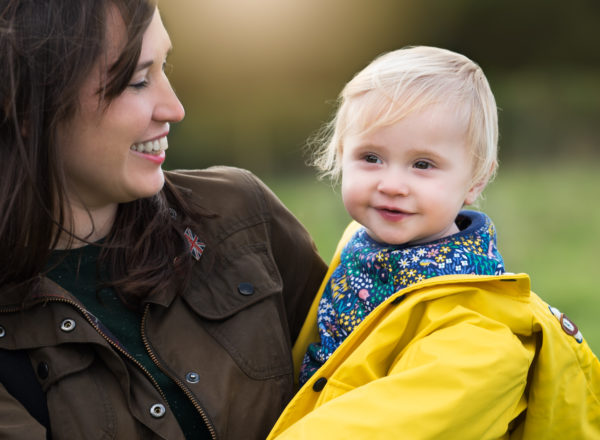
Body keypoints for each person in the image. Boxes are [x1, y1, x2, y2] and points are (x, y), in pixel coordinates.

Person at [0, 1, 327, 439]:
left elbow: (380, 363)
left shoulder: (243, 215)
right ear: (23, 105)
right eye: (137, 81)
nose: (174, 108)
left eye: (164, 66)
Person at [267, 46, 600, 439]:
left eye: (422, 164)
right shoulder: (362, 246)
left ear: (476, 180)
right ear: (342, 155)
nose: (391, 185)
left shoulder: (481, 340)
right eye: (370, 157)